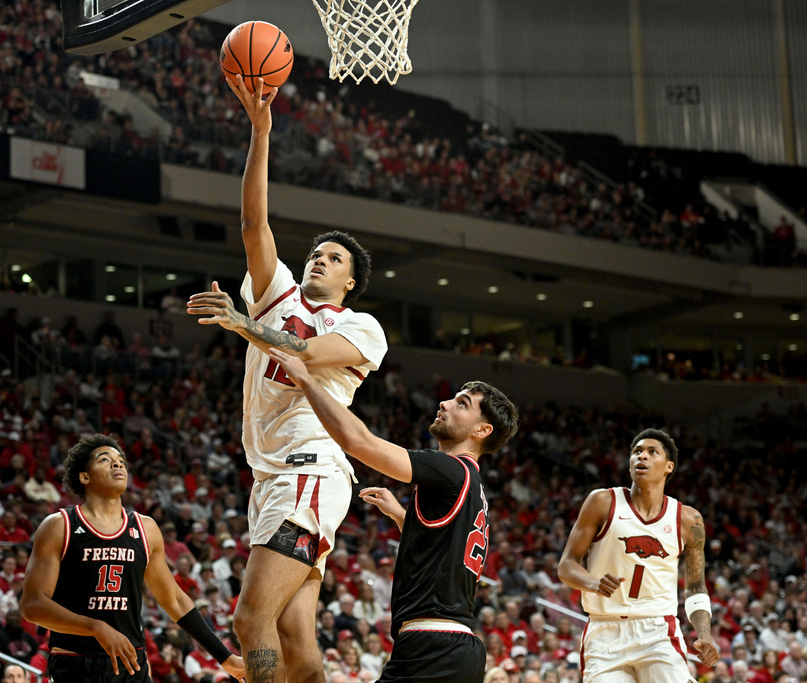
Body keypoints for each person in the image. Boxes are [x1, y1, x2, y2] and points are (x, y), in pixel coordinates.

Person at [186, 76, 388, 683]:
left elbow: (302, 351)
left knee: (251, 623)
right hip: (270, 475)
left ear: (351, 280)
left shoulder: (361, 326)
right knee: (297, 641)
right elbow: (254, 225)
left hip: (311, 470)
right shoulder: (277, 295)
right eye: (316, 253)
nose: (318, 259)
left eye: (334, 258)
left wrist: (244, 325)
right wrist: (261, 130)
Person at [268, 346, 518, 683]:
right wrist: (403, 517)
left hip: (433, 646)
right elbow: (443, 547)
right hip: (456, 646)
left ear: (482, 430)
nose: (444, 403)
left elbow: (358, 441)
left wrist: (307, 379)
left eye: (462, 404)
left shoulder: (451, 469)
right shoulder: (472, 486)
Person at [21, 434, 244, 682]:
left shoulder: (145, 528)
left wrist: (225, 657)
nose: (117, 464)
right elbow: (32, 605)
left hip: (130, 663)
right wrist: (95, 627)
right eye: (105, 460)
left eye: (120, 461)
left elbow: (176, 600)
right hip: (76, 662)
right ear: (85, 477)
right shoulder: (59, 526)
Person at [557, 428, 721, 682]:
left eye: (651, 452)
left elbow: (696, 587)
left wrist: (705, 634)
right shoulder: (602, 501)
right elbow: (566, 565)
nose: (641, 457)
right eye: (637, 452)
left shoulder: (689, 519)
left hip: (657, 630)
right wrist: (593, 582)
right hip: (605, 629)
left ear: (669, 466)